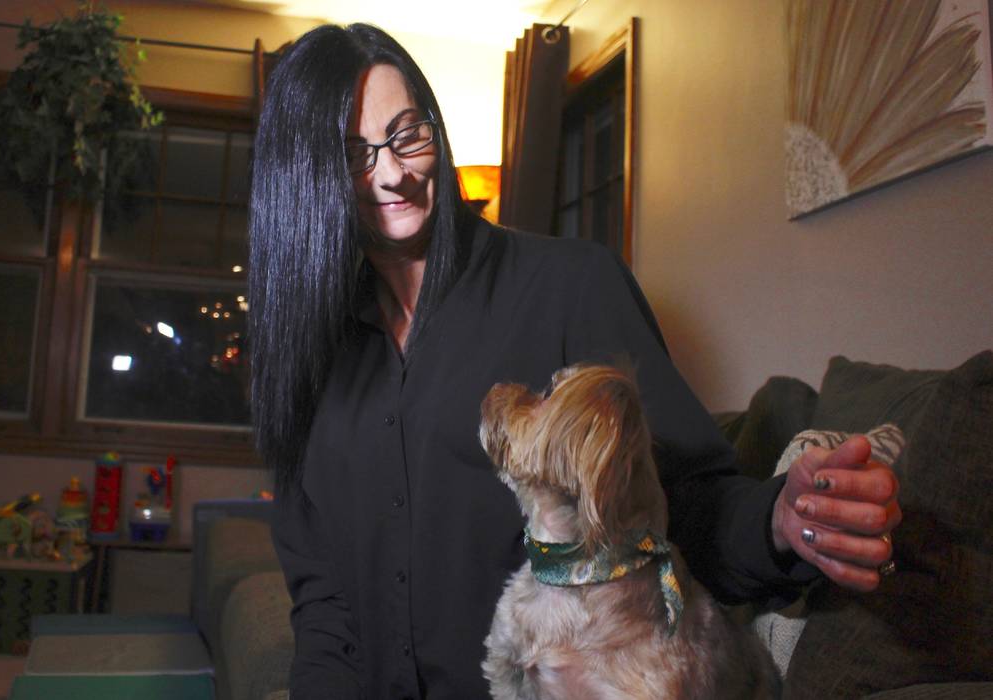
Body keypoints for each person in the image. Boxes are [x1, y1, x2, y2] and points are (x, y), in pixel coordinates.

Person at [249, 23, 902, 700]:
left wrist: (779, 521)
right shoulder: (312, 350)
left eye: (407, 133)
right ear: (306, 179)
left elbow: (679, 511)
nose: (393, 172)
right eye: (355, 154)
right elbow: (324, 603)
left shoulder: (571, 285)